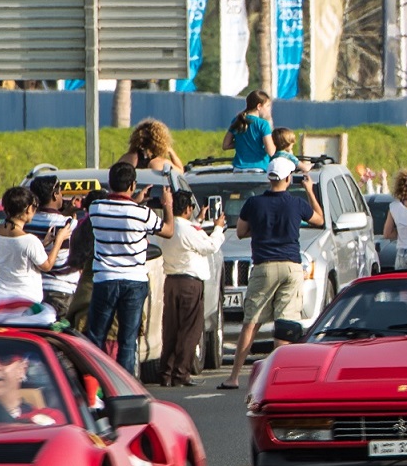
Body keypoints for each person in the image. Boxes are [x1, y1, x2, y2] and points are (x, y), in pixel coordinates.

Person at [224, 154, 323, 388]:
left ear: (270, 178)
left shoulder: (253, 203)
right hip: (291, 266)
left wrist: (260, 231)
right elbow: (318, 220)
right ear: (288, 178)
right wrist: (309, 190)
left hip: (264, 266)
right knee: (285, 323)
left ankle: (234, 376)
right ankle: (280, 377)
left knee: (251, 321)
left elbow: (240, 232)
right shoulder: (296, 204)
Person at [83, 159, 175, 371]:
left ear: (109, 183)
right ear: (132, 185)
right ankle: (125, 386)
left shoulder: (96, 209)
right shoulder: (142, 214)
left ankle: (94, 380)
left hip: (104, 279)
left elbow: (117, 207)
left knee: (97, 335)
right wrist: (167, 204)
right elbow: (168, 231)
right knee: (128, 338)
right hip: (134, 281)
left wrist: (134, 199)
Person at [155, 193, 221, 387]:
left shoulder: (165, 227)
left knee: (171, 328)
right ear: (188, 209)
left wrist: (199, 222)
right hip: (190, 283)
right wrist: (218, 228)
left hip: (171, 280)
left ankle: (166, 371)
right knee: (190, 329)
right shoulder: (188, 229)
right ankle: (181, 372)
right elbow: (210, 246)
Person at [0, 185, 71, 305]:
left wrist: (43, 244)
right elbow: (46, 266)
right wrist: (59, 239)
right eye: (35, 207)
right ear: (28, 209)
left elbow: (16, 252)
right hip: (25, 300)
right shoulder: (30, 241)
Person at [23, 175, 79, 315]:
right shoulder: (68, 224)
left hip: (35, 290)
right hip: (62, 291)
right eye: (60, 192)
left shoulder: (26, 223)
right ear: (55, 195)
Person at [227, 91, 275, 170]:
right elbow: (271, 151)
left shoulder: (237, 120)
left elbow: (226, 145)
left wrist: (243, 143)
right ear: (259, 106)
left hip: (238, 169)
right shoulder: (263, 124)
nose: (270, 109)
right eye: (268, 106)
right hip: (258, 168)